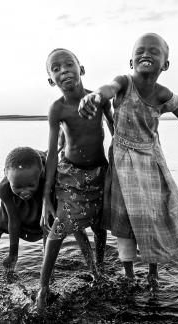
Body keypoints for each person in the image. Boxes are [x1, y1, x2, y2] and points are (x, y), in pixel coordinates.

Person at [78, 33, 178, 289]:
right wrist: (95, 96)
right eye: (140, 50)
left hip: (151, 161)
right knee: (124, 218)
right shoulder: (124, 83)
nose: (146, 54)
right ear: (131, 61)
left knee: (154, 216)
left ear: (165, 65)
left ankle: (153, 273)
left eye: (154, 51)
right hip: (123, 162)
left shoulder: (163, 94)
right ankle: (128, 275)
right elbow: (108, 89)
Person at [37, 48, 114, 310]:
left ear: (81, 69)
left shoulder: (98, 99)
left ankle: (98, 270)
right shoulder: (57, 108)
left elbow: (115, 131)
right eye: (56, 69)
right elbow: (51, 155)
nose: (64, 71)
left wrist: (123, 166)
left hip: (100, 172)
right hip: (71, 175)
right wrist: (47, 196)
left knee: (99, 226)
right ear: (51, 80)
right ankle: (43, 288)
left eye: (69, 64)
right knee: (59, 227)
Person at [0, 147, 47, 287]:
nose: (25, 191)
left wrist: (46, 267)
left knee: (49, 224)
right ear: (6, 175)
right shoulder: (4, 188)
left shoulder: (47, 181)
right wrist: (13, 254)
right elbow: (13, 221)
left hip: (43, 191)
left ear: (41, 174)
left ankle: (47, 273)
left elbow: (48, 228)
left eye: (30, 186)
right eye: (18, 187)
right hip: (15, 196)